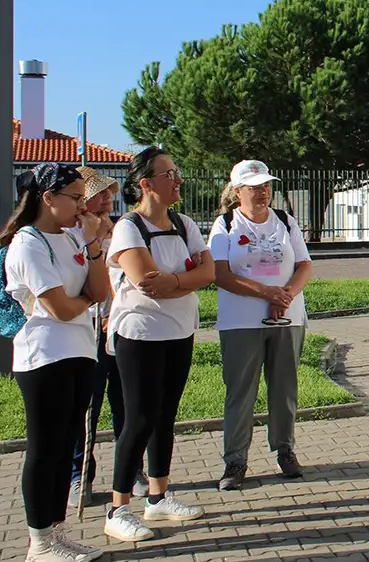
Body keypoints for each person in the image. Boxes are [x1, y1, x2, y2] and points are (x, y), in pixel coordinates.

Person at [103, 147, 215, 542]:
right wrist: (184, 279)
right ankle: (118, 508)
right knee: (139, 419)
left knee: (166, 416)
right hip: (141, 335)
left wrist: (177, 281)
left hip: (179, 332)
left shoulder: (185, 223)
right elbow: (145, 281)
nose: (178, 179)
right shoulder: (128, 228)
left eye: (178, 172)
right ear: (146, 183)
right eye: (170, 174)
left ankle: (158, 496)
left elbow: (209, 270)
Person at [0, 163, 109, 562]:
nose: (84, 206)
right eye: (76, 198)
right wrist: (84, 302)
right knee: (45, 449)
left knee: (66, 448)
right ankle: (38, 541)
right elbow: (60, 308)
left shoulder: (70, 238)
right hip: (44, 357)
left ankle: (57, 533)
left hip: (80, 352)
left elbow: (101, 289)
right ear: (48, 198)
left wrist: (94, 245)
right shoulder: (27, 243)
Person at [210, 160, 313, 491]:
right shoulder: (225, 225)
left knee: (284, 388)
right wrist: (266, 292)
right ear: (238, 191)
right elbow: (221, 275)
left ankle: (285, 450)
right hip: (241, 322)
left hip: (286, 318)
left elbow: (304, 266)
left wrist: (285, 296)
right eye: (254, 187)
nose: (262, 192)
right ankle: (235, 459)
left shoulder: (285, 221)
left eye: (266, 185)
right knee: (241, 391)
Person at [68, 166, 150, 508]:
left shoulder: (119, 230)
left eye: (109, 193)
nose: (108, 199)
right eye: (100, 193)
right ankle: (79, 475)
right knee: (85, 408)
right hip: (82, 331)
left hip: (117, 330)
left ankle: (132, 469)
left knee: (126, 403)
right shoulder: (69, 234)